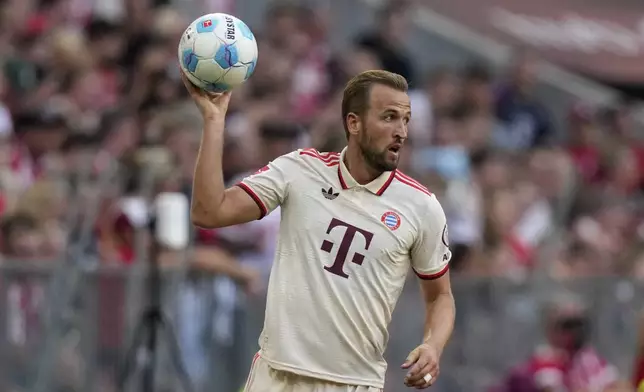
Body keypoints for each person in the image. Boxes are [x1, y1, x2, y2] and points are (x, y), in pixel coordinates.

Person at [183, 69, 455, 391]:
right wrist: (214, 121)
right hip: (274, 377)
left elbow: (441, 296)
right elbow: (208, 211)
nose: (402, 131)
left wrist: (433, 346)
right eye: (389, 117)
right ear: (354, 123)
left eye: (406, 120)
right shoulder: (299, 170)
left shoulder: (422, 207)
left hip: (352, 383)